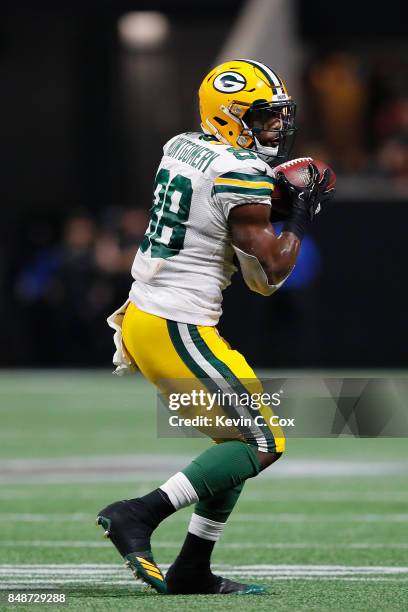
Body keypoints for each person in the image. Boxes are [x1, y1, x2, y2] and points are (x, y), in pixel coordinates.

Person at [97, 59, 334, 595]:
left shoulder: (182, 143)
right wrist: (300, 212)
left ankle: (192, 568)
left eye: (278, 116)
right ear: (230, 116)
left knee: (232, 446)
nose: (276, 126)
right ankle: (139, 513)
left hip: (150, 313)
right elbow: (270, 274)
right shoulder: (241, 172)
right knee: (262, 441)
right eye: (263, 115)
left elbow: (225, 212)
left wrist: (272, 198)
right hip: (175, 322)